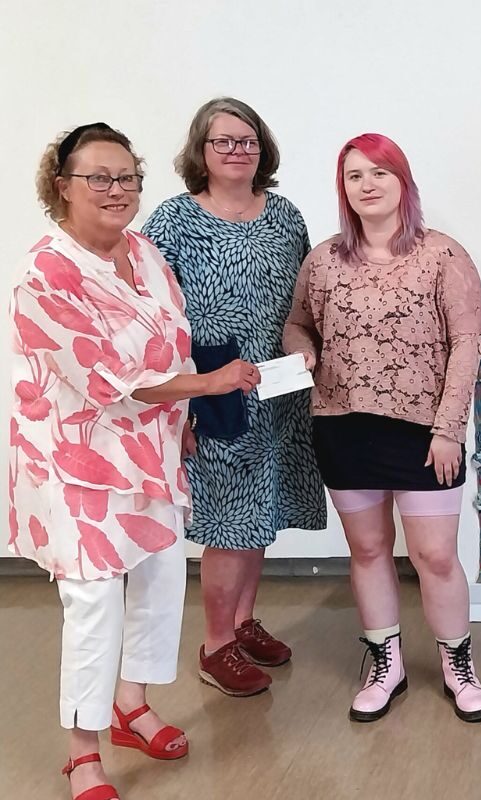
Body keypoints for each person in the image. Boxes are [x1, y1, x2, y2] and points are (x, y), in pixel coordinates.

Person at [10, 123, 259, 800]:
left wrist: (182, 422)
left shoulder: (145, 253)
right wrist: (209, 386)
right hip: (77, 462)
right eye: (99, 177)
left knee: (156, 580)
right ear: (61, 186)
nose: (117, 190)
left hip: (151, 447)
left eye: (127, 177)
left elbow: (172, 345)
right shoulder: (46, 271)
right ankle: (82, 750)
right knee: (93, 601)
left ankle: (132, 703)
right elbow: (105, 378)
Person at [283, 133, 481, 723]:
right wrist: (300, 353)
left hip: (424, 431)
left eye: (379, 172)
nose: (367, 184)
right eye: (354, 176)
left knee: (435, 555)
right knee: (369, 548)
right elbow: (298, 323)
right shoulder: (324, 259)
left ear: (403, 181)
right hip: (342, 425)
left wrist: (448, 429)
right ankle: (386, 662)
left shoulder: (443, 255)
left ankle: (458, 664)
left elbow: (466, 344)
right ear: (342, 189)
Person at [142, 97, 326, 698]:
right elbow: (152, 317)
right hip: (214, 387)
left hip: (278, 388)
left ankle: (245, 622)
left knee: (261, 513)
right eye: (222, 141)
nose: (236, 150)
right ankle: (216, 643)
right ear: (200, 150)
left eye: (247, 140)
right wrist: (181, 403)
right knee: (229, 523)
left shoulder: (285, 216)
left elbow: (303, 300)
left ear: (262, 149)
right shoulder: (172, 222)